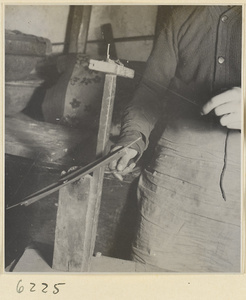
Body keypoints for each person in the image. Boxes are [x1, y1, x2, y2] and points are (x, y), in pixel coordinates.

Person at [109, 6, 242, 272]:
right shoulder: (181, 16)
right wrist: (132, 139)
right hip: (173, 182)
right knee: (153, 281)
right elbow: (150, 89)